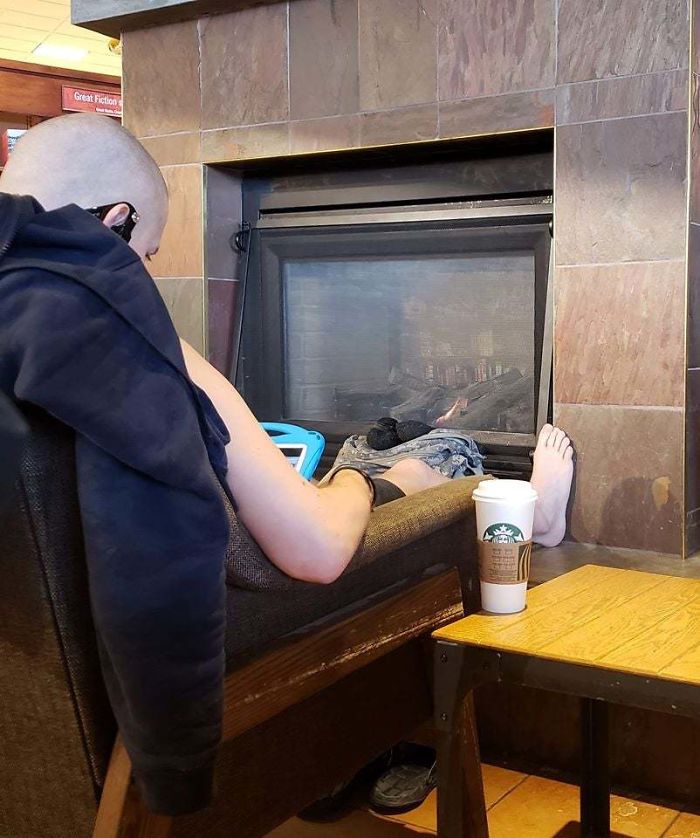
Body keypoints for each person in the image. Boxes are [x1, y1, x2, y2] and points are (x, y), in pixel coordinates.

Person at [0, 114, 574, 812]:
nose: (142, 281)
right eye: (145, 256)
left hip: (38, 739)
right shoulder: (126, 342)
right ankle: (515, 509)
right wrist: (362, 482)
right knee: (426, 469)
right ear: (116, 223)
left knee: (368, 456)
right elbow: (317, 552)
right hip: (242, 655)